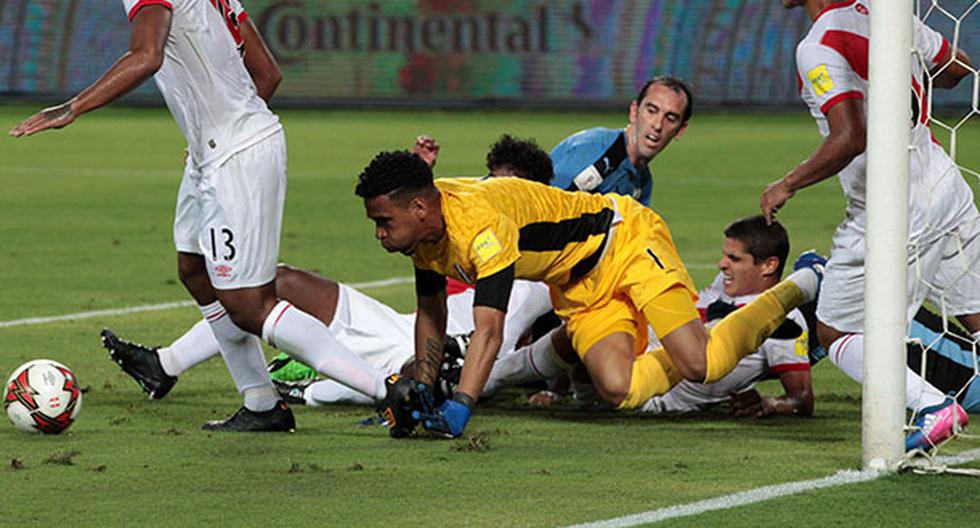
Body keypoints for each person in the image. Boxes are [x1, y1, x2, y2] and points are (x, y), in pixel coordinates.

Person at [12, 0, 389, 432]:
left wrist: (72, 108)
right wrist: (217, 132)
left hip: (234, 155)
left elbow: (146, 56)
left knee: (251, 304)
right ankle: (262, 403)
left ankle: (389, 389)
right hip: (216, 153)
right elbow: (267, 75)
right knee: (195, 270)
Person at [355, 151, 822, 438]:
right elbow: (431, 313)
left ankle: (798, 286)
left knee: (700, 365)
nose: (379, 234)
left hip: (626, 241)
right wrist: (423, 385)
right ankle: (688, 339)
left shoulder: (479, 227)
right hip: (579, 286)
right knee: (620, 389)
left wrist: (460, 403)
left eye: (383, 222)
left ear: (418, 208)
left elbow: (490, 329)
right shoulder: (425, 230)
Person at [102, 135, 572, 409]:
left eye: (510, 188)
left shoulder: (546, 260)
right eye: (491, 182)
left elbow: (556, 328)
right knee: (277, 281)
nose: (494, 194)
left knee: (406, 380)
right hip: (404, 329)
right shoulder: (463, 223)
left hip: (454, 359)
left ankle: (308, 385)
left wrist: (555, 388)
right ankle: (165, 365)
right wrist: (418, 176)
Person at [760, 0, 977, 450]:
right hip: (943, 179)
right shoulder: (887, 16)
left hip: (892, 202)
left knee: (835, 330)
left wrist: (787, 183)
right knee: (975, 312)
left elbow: (850, 136)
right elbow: (959, 67)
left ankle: (934, 407)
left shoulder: (818, 44)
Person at [549, 76, 692, 205]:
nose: (657, 125)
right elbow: (546, 210)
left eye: (670, 118)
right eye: (652, 111)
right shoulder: (594, 151)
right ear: (634, 112)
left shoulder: (642, 183)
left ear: (680, 130)